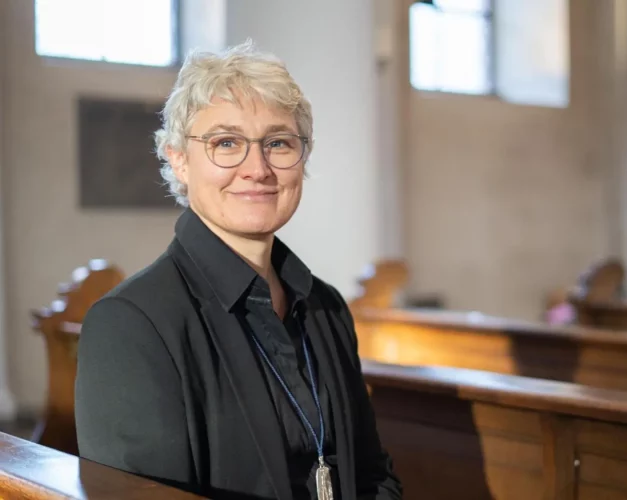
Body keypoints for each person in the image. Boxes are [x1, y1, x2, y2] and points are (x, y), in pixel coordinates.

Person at [74, 41, 403, 500]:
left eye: (278, 143)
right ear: (179, 159)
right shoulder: (131, 323)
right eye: (226, 143)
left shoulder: (326, 308)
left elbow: (372, 475)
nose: (258, 168)